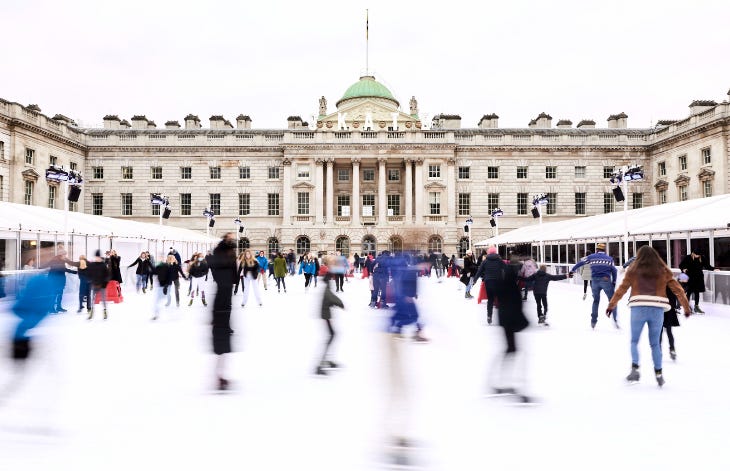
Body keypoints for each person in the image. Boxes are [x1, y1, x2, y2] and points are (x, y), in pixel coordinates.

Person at [607, 246, 691, 387]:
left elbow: (622, 289)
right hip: (657, 309)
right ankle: (658, 373)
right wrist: (686, 308)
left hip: (638, 308)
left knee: (634, 341)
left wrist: (611, 305)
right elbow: (678, 290)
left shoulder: (633, 270)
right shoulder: (663, 270)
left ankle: (635, 368)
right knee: (655, 344)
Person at [488, 256, 531, 401]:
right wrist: (521, 321)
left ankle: (499, 381)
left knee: (510, 350)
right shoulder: (510, 283)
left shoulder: (506, 280)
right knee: (511, 350)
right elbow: (514, 303)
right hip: (509, 320)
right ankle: (501, 382)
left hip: (507, 319)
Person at [208, 233, 238, 390]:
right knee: (221, 350)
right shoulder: (222, 268)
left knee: (222, 350)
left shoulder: (226, 273)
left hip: (223, 313)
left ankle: (220, 376)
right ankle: (219, 377)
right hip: (221, 314)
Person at [570, 243, 618, 329]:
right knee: (612, 300)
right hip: (606, 280)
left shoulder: (591, 257)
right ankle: (615, 320)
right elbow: (614, 271)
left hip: (594, 281)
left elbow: (580, 263)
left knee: (596, 301)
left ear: (597, 250)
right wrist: (614, 281)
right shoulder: (610, 259)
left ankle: (593, 321)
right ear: (605, 250)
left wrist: (572, 270)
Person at [315, 274, 345, 375]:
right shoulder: (327, 290)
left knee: (332, 336)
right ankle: (320, 365)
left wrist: (335, 304)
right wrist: (340, 304)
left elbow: (330, 300)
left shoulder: (326, 288)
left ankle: (327, 360)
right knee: (331, 336)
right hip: (326, 317)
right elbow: (332, 298)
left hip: (326, 316)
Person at [474, 246, 506, 325]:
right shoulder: (499, 260)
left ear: (488, 252)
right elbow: (506, 268)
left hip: (488, 282)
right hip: (498, 282)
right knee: (500, 299)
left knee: (490, 300)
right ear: (495, 252)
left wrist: (475, 279)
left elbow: (479, 271)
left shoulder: (485, 261)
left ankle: (489, 316)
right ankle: (501, 317)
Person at [678, 250, 718, 314]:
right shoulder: (688, 257)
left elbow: (707, 266)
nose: (697, 256)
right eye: (697, 255)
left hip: (698, 278)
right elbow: (681, 265)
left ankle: (696, 307)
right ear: (693, 253)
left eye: (699, 255)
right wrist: (684, 269)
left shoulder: (702, 258)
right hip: (690, 278)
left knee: (697, 292)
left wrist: (714, 269)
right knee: (689, 292)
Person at [46, 248, 75, 313]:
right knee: (54, 293)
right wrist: (74, 272)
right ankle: (51, 308)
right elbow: (63, 269)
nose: (65, 256)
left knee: (59, 293)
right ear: (61, 255)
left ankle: (58, 307)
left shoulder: (61, 260)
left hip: (59, 280)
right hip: (55, 280)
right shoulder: (56, 261)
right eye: (65, 255)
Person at [86, 250, 111, 320]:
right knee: (92, 299)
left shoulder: (103, 265)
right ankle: (91, 312)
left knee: (103, 299)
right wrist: (90, 280)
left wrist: (105, 283)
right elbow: (88, 273)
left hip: (102, 285)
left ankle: (105, 311)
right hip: (94, 285)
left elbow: (108, 275)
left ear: (100, 257)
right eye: (96, 257)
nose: (97, 258)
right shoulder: (92, 265)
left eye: (99, 257)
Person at [152, 255, 172, 320]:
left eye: (161, 257)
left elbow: (169, 277)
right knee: (156, 301)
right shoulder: (158, 266)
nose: (160, 258)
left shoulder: (167, 266)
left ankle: (169, 304)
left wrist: (166, 286)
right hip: (160, 286)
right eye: (159, 257)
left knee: (164, 297)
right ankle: (156, 314)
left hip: (166, 286)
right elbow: (153, 272)